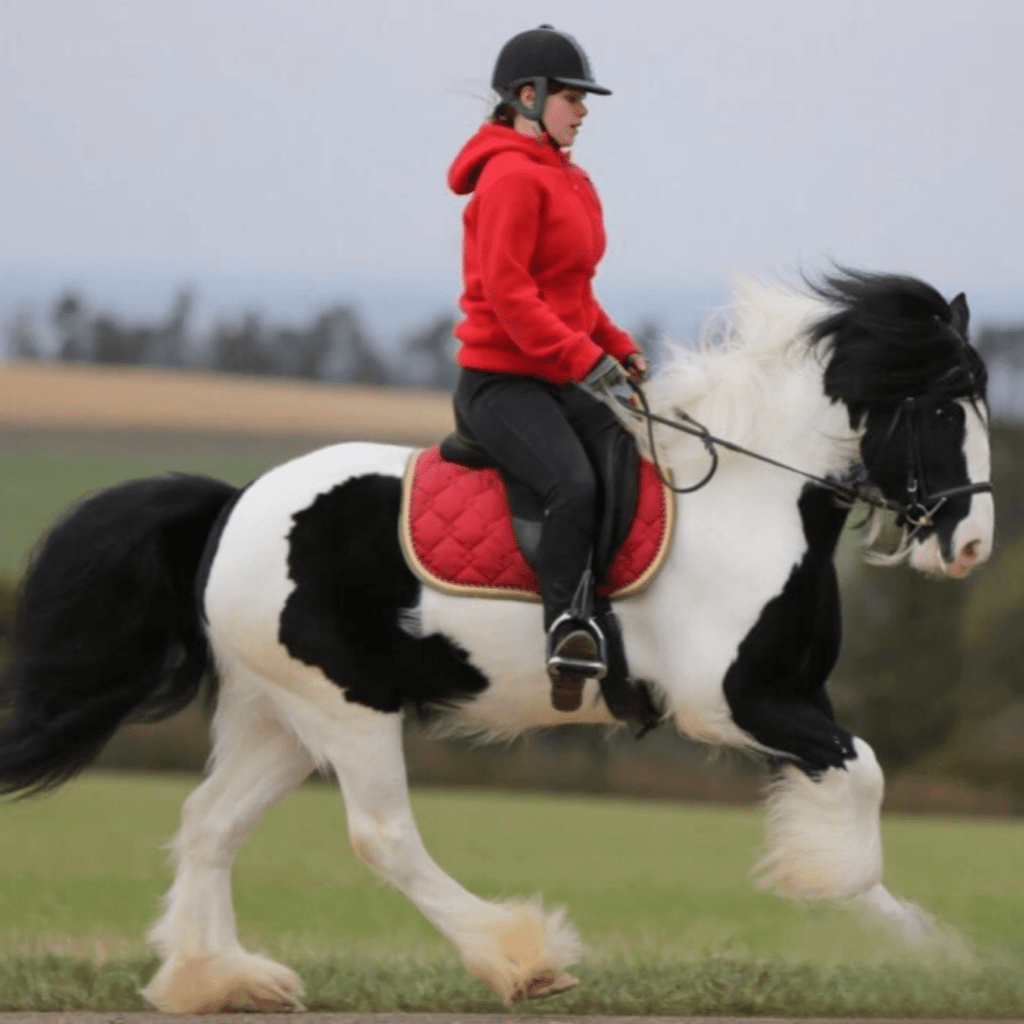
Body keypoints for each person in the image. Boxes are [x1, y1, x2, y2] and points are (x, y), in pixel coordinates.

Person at [447, 24, 647, 708]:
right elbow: (510, 295)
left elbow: (573, 291)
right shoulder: (508, 178)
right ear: (526, 97)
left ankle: (620, 613)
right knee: (573, 484)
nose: (583, 110)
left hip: (560, 375)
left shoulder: (570, 178)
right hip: (501, 384)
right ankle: (566, 625)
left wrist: (617, 345)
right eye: (570, 97)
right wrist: (584, 359)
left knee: (629, 458)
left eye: (582, 99)